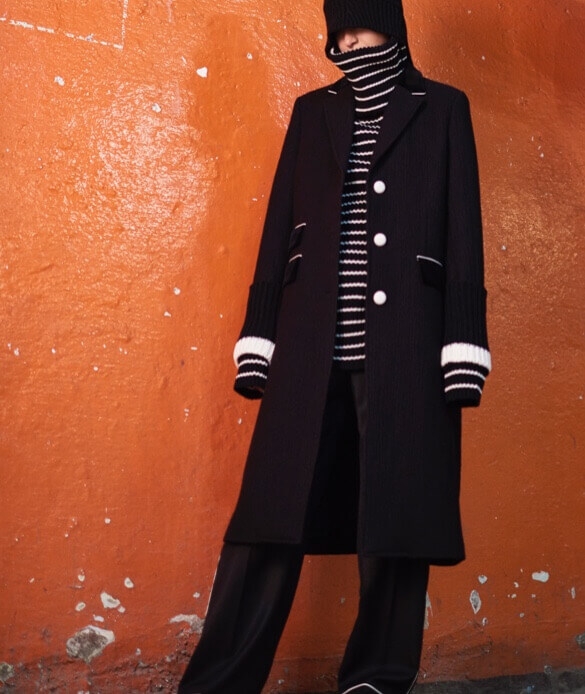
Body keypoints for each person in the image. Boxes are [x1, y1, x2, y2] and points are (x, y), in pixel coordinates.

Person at [179, 0, 491, 692]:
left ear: (392, 25)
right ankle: (219, 681)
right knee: (268, 513)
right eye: (337, 33)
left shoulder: (444, 108)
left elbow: (462, 229)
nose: (347, 43)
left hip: (409, 344)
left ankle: (375, 677)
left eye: (359, 27)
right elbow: (279, 224)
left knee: (398, 518)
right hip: (308, 339)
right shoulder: (311, 111)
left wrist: (463, 345)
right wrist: (260, 333)